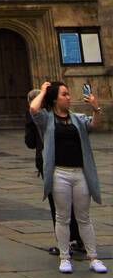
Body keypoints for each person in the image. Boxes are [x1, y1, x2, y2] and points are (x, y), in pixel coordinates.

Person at [29, 80, 106, 275]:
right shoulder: (46, 119)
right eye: (64, 94)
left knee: (84, 217)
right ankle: (65, 257)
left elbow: (95, 124)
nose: (69, 97)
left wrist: (96, 108)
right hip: (59, 173)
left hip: (80, 173)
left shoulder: (77, 118)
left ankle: (93, 257)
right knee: (62, 217)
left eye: (68, 94)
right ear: (54, 99)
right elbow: (33, 108)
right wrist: (44, 91)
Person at [25, 88, 85, 258]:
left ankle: (66, 244)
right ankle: (80, 240)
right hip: (72, 165)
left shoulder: (40, 118)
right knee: (77, 206)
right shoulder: (60, 116)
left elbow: (29, 142)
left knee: (59, 208)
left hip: (51, 165)